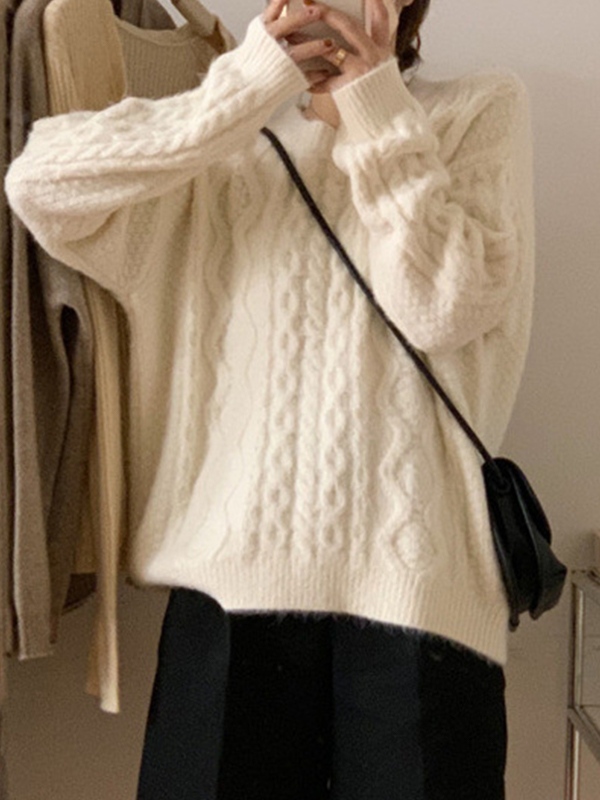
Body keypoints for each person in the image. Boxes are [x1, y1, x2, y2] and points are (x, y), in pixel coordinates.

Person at [5, 0, 534, 796]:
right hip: (227, 594)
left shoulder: (476, 112)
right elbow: (39, 184)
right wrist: (247, 87)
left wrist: (375, 109)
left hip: (418, 596)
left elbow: (440, 309)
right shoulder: (218, 144)